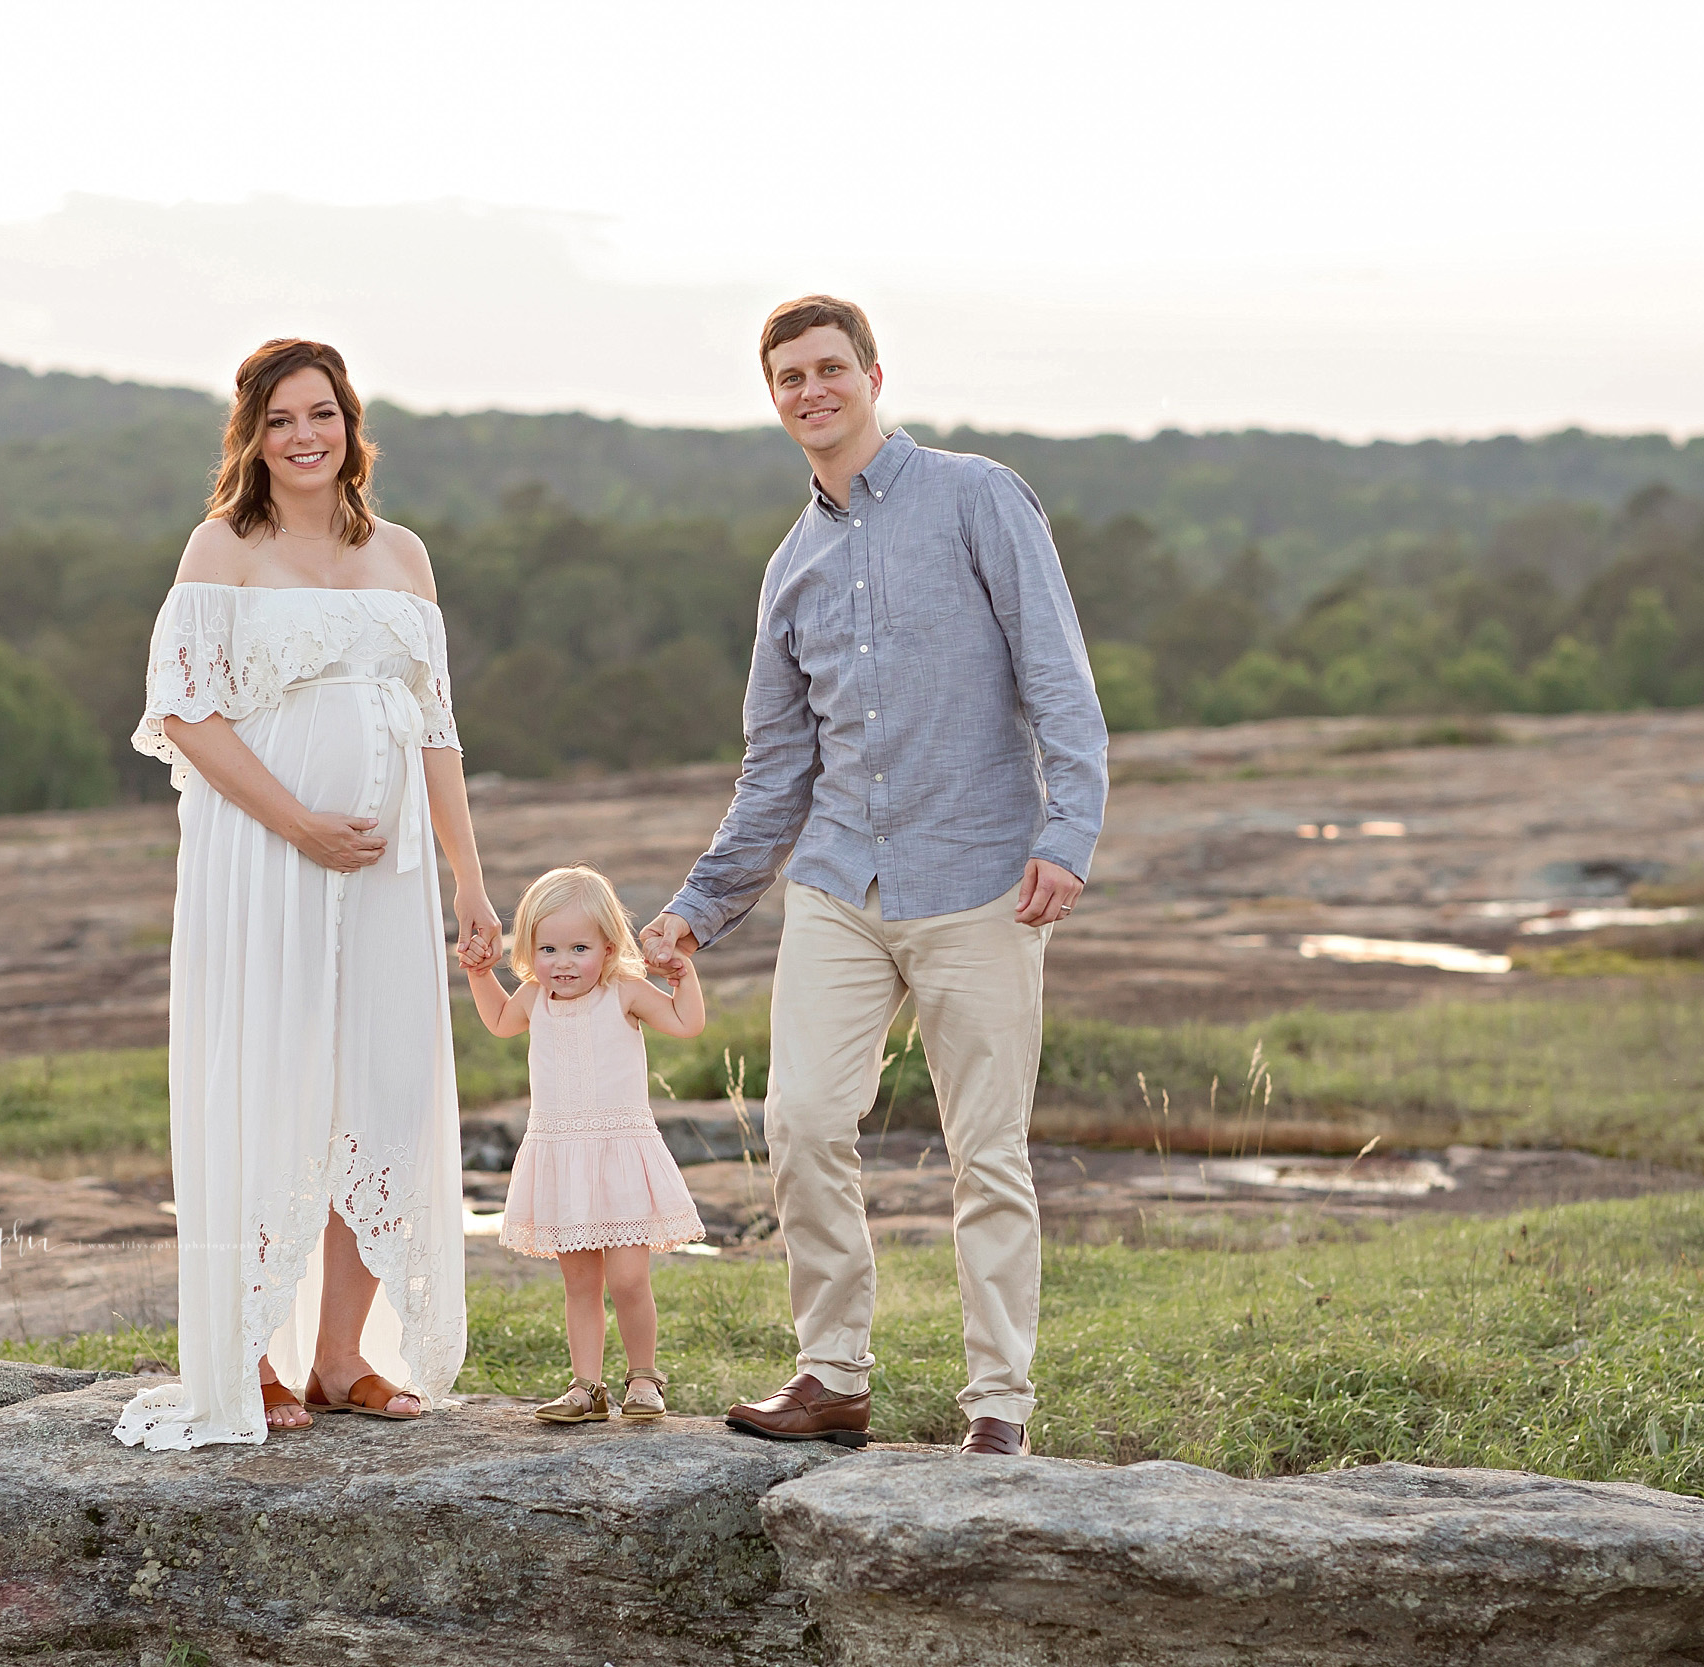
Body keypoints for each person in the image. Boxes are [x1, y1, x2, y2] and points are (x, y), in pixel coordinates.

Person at [641, 296, 1108, 1457]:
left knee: (985, 1150)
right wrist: (699, 905)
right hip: (839, 883)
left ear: (872, 373)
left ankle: (999, 1403)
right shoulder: (789, 569)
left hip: (980, 880)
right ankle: (832, 1375)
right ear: (773, 398)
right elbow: (776, 766)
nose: (811, 390)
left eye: (828, 368)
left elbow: (1058, 674)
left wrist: (1069, 831)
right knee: (800, 1118)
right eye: (788, 377)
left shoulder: (977, 496)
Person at [113, 337, 500, 1449]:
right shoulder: (222, 548)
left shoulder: (404, 556)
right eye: (279, 418)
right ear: (253, 433)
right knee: (271, 1086)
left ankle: (340, 1359)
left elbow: (435, 730)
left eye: (319, 413)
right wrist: (298, 823)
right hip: (263, 862)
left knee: (377, 1084)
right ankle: (254, 1361)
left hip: (388, 873)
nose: (303, 436)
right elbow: (183, 712)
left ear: (350, 423)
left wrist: (470, 881)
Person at [464, 865, 708, 1423]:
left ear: (607, 946)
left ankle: (644, 1378)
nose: (564, 962)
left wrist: (682, 978)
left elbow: (685, 1024)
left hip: (617, 1154)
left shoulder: (622, 992)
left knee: (627, 1278)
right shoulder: (532, 997)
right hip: (561, 1154)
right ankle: (586, 1386)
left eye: (579, 947)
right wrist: (480, 974)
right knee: (579, 1282)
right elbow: (500, 1021)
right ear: (528, 949)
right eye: (548, 948)